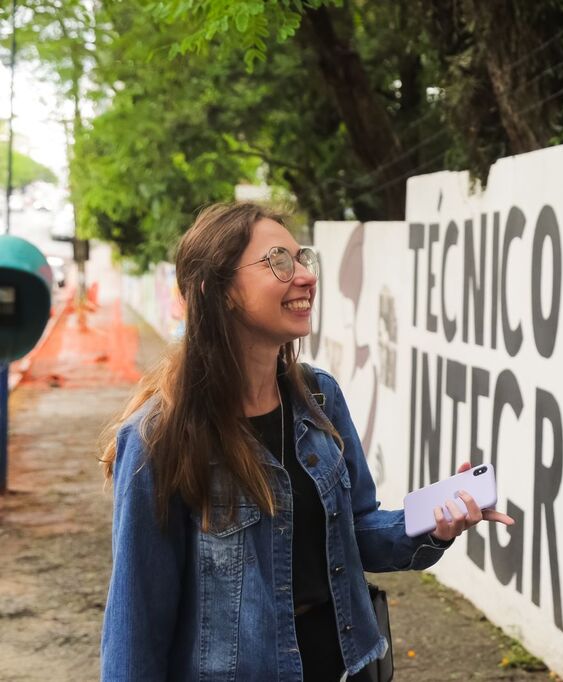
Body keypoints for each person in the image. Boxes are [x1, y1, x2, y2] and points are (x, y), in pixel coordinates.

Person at [99, 202, 513, 680]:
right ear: (220, 291)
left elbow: (357, 531)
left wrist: (436, 522)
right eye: (278, 261)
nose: (305, 276)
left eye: (302, 259)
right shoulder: (158, 438)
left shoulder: (319, 397)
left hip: (346, 666)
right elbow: (136, 622)